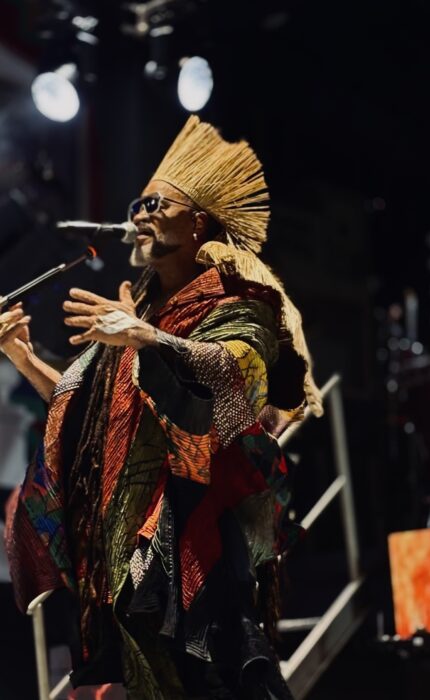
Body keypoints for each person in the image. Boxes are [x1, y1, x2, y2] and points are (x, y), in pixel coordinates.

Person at [2, 116, 323, 699]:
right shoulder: (138, 316)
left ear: (198, 221)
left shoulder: (237, 305)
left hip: (191, 535)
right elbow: (90, 415)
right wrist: (22, 357)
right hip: (121, 541)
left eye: (157, 203)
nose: (141, 214)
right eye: (138, 204)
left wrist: (149, 339)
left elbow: (233, 378)